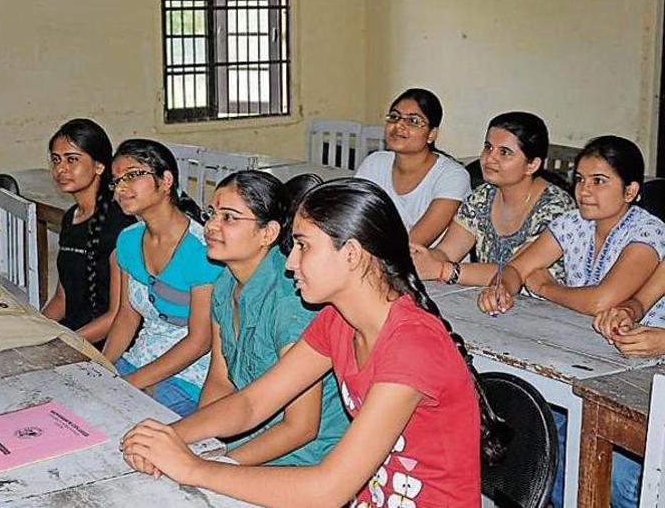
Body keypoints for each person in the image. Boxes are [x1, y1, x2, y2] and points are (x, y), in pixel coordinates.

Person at [121, 178, 502, 507]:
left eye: (304, 246)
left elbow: (327, 489)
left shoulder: (411, 346)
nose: (290, 263)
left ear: (351, 254)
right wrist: (172, 436)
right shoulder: (337, 322)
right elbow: (254, 402)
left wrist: (193, 468)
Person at [478, 135, 663, 508]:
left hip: (635, 369)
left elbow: (601, 300)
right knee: (544, 439)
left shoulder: (648, 231)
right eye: (580, 180)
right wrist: (503, 287)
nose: (584, 191)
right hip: (589, 354)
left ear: (630, 191)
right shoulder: (574, 223)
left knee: (621, 480)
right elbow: (519, 267)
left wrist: (545, 287)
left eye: (599, 181)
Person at [200, 170, 347, 466]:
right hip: (248, 430)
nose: (211, 226)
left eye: (229, 217)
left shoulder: (291, 302)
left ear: (268, 233)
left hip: (304, 456)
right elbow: (220, 380)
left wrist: (218, 466)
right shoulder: (224, 284)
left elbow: (300, 428)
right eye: (211, 213)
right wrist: (199, 442)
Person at [102, 139, 223, 416]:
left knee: (120, 423)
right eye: (116, 181)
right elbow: (126, 317)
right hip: (138, 361)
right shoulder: (128, 240)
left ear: (166, 180)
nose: (120, 188)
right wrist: (103, 369)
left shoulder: (201, 250)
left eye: (132, 175)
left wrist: (131, 383)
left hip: (189, 376)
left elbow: (200, 340)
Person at [412, 112, 575, 286]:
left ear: (532, 165)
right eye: (488, 147)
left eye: (504, 152)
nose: (490, 158)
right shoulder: (482, 196)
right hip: (490, 303)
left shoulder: (556, 208)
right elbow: (447, 252)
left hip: (544, 309)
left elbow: (513, 271)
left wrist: (442, 270)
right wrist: (421, 258)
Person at [41, 119, 134, 342]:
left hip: (103, 341)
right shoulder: (70, 218)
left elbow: (117, 316)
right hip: (71, 333)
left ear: (100, 166)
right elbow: (62, 299)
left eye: (72, 159)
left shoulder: (120, 226)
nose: (61, 169)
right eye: (56, 160)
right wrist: (35, 330)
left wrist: (62, 343)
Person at [355, 88, 471, 246]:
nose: (399, 125)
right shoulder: (374, 164)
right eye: (394, 117)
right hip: (378, 259)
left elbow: (414, 244)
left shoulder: (452, 176)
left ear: (431, 134)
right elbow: (355, 220)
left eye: (413, 121)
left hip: (429, 266)